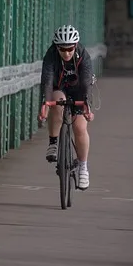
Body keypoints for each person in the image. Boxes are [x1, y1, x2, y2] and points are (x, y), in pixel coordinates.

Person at [38, 24, 95, 189]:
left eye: (70, 48)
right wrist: (45, 104)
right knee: (56, 101)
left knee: (79, 127)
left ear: (75, 45)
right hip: (59, 87)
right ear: (57, 47)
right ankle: (53, 143)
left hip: (78, 89)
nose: (67, 53)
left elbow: (85, 82)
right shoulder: (51, 55)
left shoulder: (83, 55)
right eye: (62, 49)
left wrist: (86, 105)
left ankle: (83, 167)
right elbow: (47, 80)